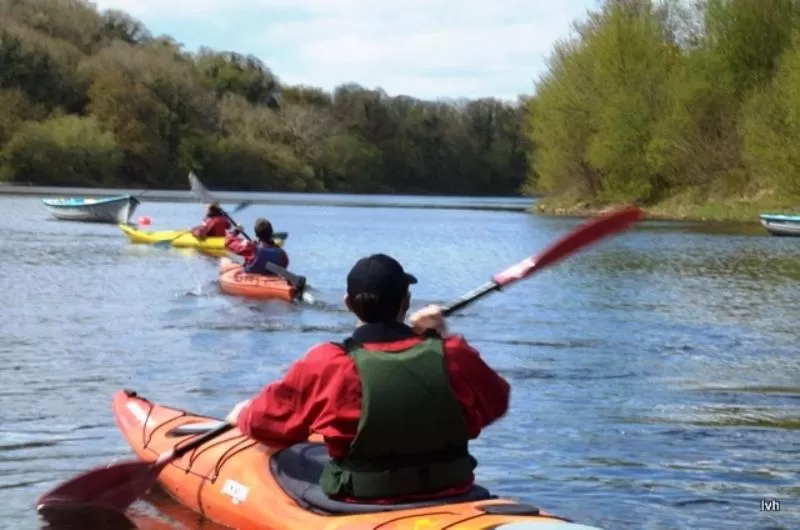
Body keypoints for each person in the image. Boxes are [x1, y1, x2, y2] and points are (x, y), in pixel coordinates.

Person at [225, 253, 510, 504]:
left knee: (283, 457)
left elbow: (266, 425)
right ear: (406, 302)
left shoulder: (328, 362)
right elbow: (495, 402)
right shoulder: (453, 354)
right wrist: (440, 335)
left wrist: (243, 415)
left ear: (347, 303)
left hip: (364, 497)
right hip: (452, 487)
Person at [224, 217, 289, 275]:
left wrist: (236, 231)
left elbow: (228, 241)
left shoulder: (251, 247)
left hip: (251, 277)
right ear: (271, 233)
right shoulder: (281, 252)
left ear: (256, 234)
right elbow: (284, 265)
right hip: (272, 279)